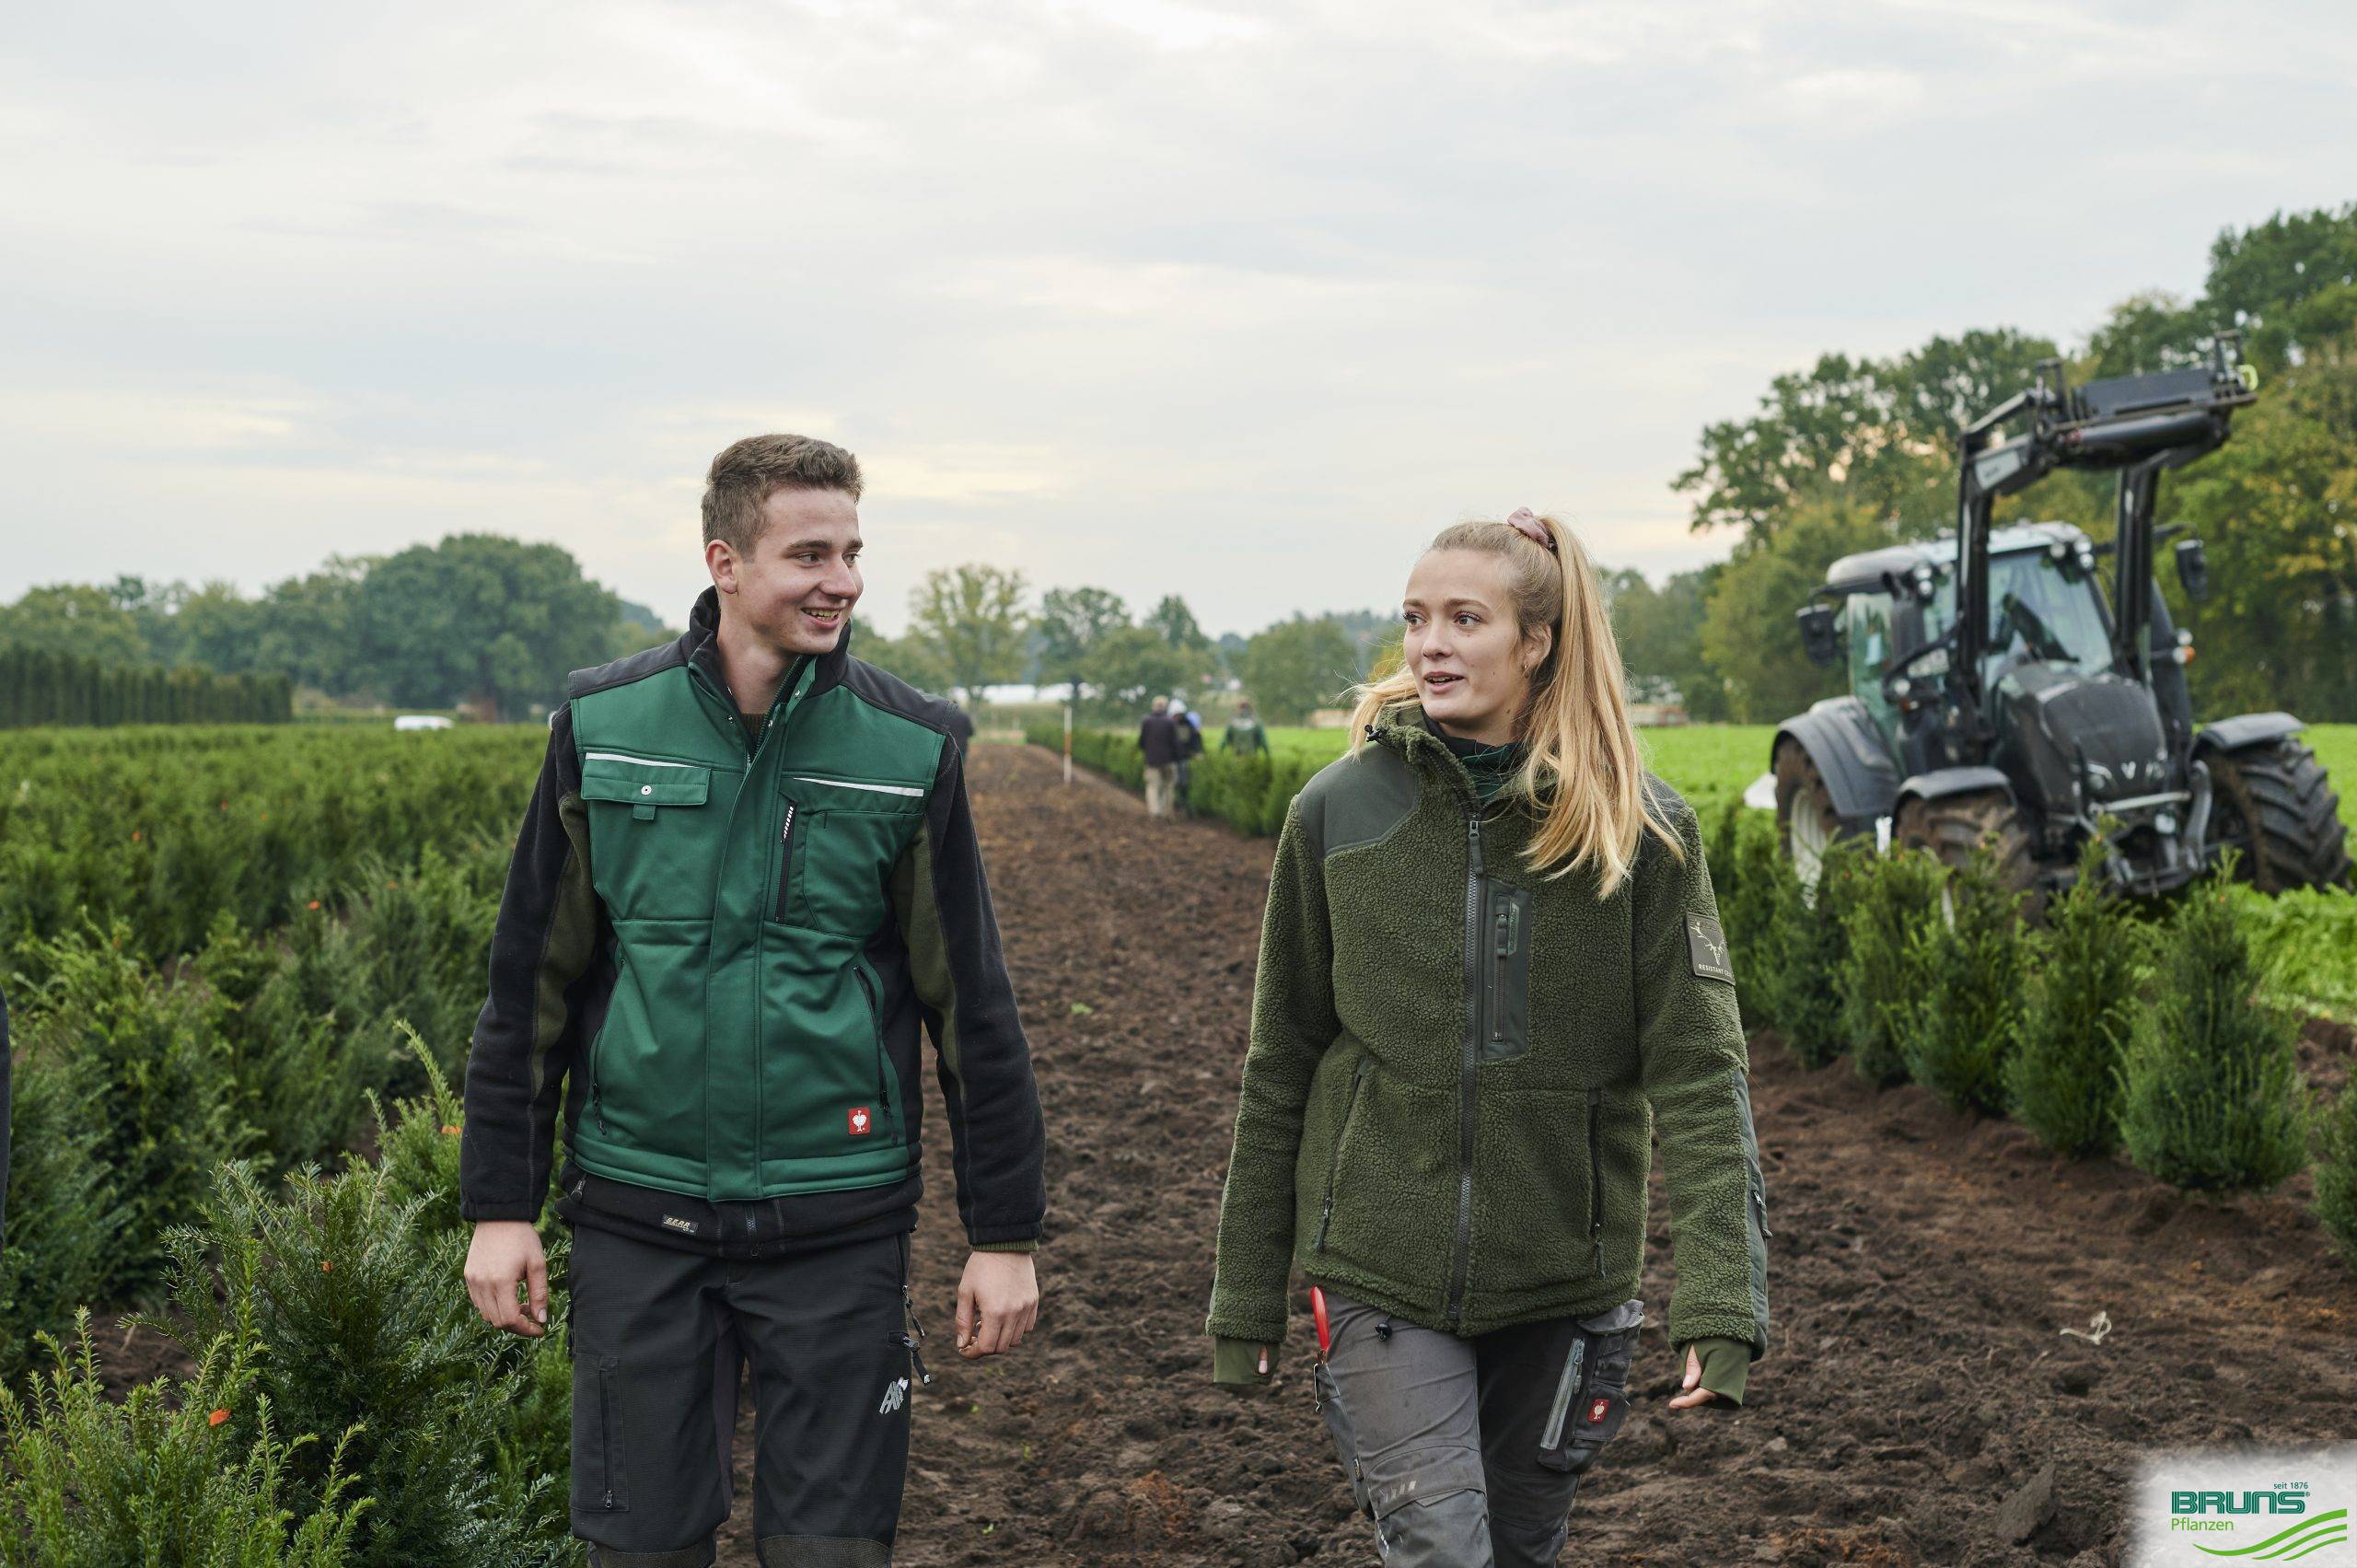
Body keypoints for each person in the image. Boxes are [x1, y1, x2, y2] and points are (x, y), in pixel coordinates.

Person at [460, 433, 1047, 1568]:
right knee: (641, 1549)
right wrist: (500, 1202)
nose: (842, 581)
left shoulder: (909, 745)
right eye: (809, 554)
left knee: (831, 1551)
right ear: (724, 562)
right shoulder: (601, 727)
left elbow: (969, 999)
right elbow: (531, 981)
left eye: (852, 553)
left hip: (837, 1222)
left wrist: (1004, 1231)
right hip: (640, 1217)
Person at [1205, 508, 1770, 1566]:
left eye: (1465, 618)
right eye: (1415, 617)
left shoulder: (1640, 832)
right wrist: (1243, 1293)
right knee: (1439, 1545)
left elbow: (1701, 1072)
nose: (1430, 644)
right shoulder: (1335, 813)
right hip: (1378, 1271)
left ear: (1537, 639)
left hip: (1566, 1282)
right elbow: (1279, 1058)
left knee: (1517, 1548)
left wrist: (1721, 1296)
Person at [1138, 695, 1182, 819]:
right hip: (1168, 760)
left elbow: (1141, 742)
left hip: (1152, 760)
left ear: (1154, 706)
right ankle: (1167, 812)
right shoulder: (1171, 722)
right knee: (1168, 786)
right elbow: (1176, 743)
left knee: (1153, 786)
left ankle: (1155, 811)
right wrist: (1178, 757)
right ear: (1165, 707)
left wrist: (1148, 751)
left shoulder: (1147, 721)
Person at [1173, 701, 1205, 819]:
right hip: (1173, 758)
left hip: (1184, 757)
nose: (1177, 717)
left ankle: (1183, 804)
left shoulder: (1188, 724)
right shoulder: (1171, 724)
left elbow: (1196, 739)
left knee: (1184, 782)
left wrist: (1198, 751)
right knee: (1175, 782)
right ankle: (1176, 804)